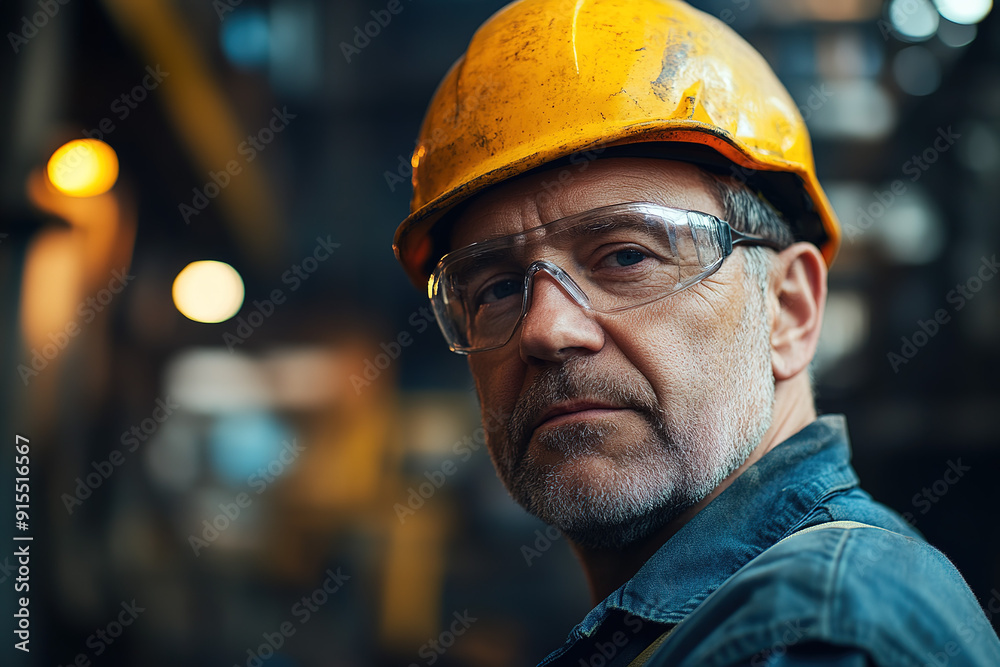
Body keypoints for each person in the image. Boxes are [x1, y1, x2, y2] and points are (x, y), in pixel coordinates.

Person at [391, 0, 1000, 664]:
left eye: (626, 256)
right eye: (497, 288)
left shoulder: (811, 631)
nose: (545, 327)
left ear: (789, 310)